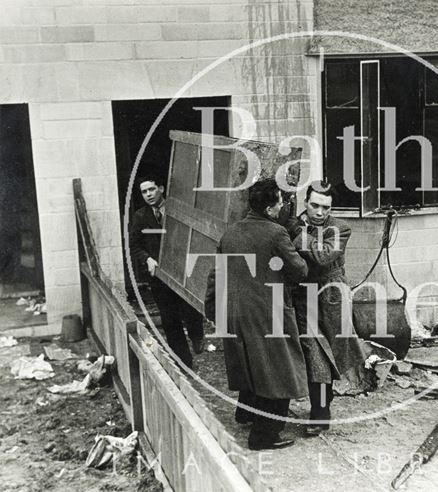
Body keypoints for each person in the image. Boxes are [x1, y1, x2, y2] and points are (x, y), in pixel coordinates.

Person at [204, 178, 309, 451]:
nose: (283, 206)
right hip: (267, 311)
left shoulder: (230, 233)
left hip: (235, 311)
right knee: (279, 372)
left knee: (249, 362)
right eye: (281, 202)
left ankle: (246, 413)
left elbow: (216, 275)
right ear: (272, 208)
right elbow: (300, 271)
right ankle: (264, 435)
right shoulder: (277, 233)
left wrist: (211, 308)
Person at [288, 181, 367, 437]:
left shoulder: (340, 228)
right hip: (303, 294)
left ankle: (325, 400)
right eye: (314, 205)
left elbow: (323, 257)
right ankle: (320, 413)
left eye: (325, 207)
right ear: (305, 203)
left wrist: (296, 233)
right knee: (314, 353)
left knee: (335, 350)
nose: (320, 212)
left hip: (332, 294)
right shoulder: (292, 224)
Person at [129, 175, 204, 369]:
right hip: (159, 277)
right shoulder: (140, 217)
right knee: (170, 320)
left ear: (161, 188)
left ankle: (197, 336)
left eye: (151, 189)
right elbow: (134, 245)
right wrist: (147, 259)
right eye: (144, 192)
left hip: (183, 273)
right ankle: (184, 362)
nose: (148, 195)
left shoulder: (177, 210)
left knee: (191, 309)